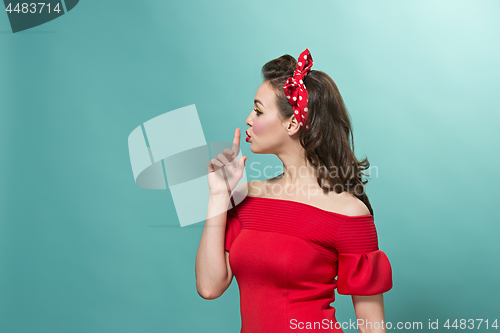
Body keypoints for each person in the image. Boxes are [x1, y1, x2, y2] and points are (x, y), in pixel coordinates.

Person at [195, 49, 393, 333]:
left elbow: (373, 328)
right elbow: (209, 286)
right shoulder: (245, 197)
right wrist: (217, 197)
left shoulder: (348, 213)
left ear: (292, 123)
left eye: (259, 110)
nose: (248, 119)